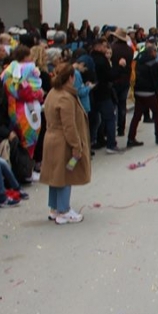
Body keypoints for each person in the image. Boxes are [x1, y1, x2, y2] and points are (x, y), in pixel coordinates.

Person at [40, 63, 91, 224]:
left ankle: (54, 208)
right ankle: (64, 210)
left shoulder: (52, 93)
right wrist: (77, 146)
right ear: (71, 77)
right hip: (63, 141)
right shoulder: (66, 97)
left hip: (51, 137)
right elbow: (69, 126)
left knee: (55, 175)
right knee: (65, 175)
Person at [127, 44, 158, 148]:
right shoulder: (153, 63)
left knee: (137, 115)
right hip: (148, 92)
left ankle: (130, 138)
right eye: (155, 51)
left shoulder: (139, 61)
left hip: (138, 90)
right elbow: (157, 80)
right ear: (152, 52)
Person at [110, 28, 134, 137]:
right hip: (126, 79)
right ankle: (121, 128)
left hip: (115, 78)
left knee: (113, 105)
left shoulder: (112, 48)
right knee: (122, 104)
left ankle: (111, 127)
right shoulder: (130, 50)